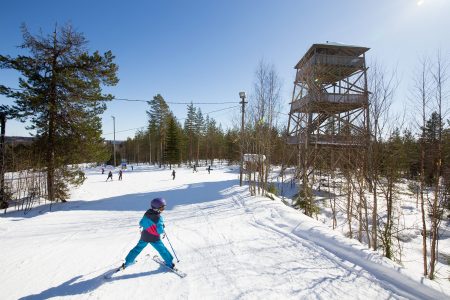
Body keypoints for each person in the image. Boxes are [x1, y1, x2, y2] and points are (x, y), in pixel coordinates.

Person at [121, 198, 174, 270]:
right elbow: (160, 231)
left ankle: (128, 262)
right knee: (162, 249)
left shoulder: (147, 213)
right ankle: (169, 263)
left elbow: (141, 223)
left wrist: (149, 226)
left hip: (144, 236)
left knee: (137, 248)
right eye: (162, 208)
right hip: (154, 238)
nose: (163, 210)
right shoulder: (159, 218)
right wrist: (162, 227)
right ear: (157, 208)